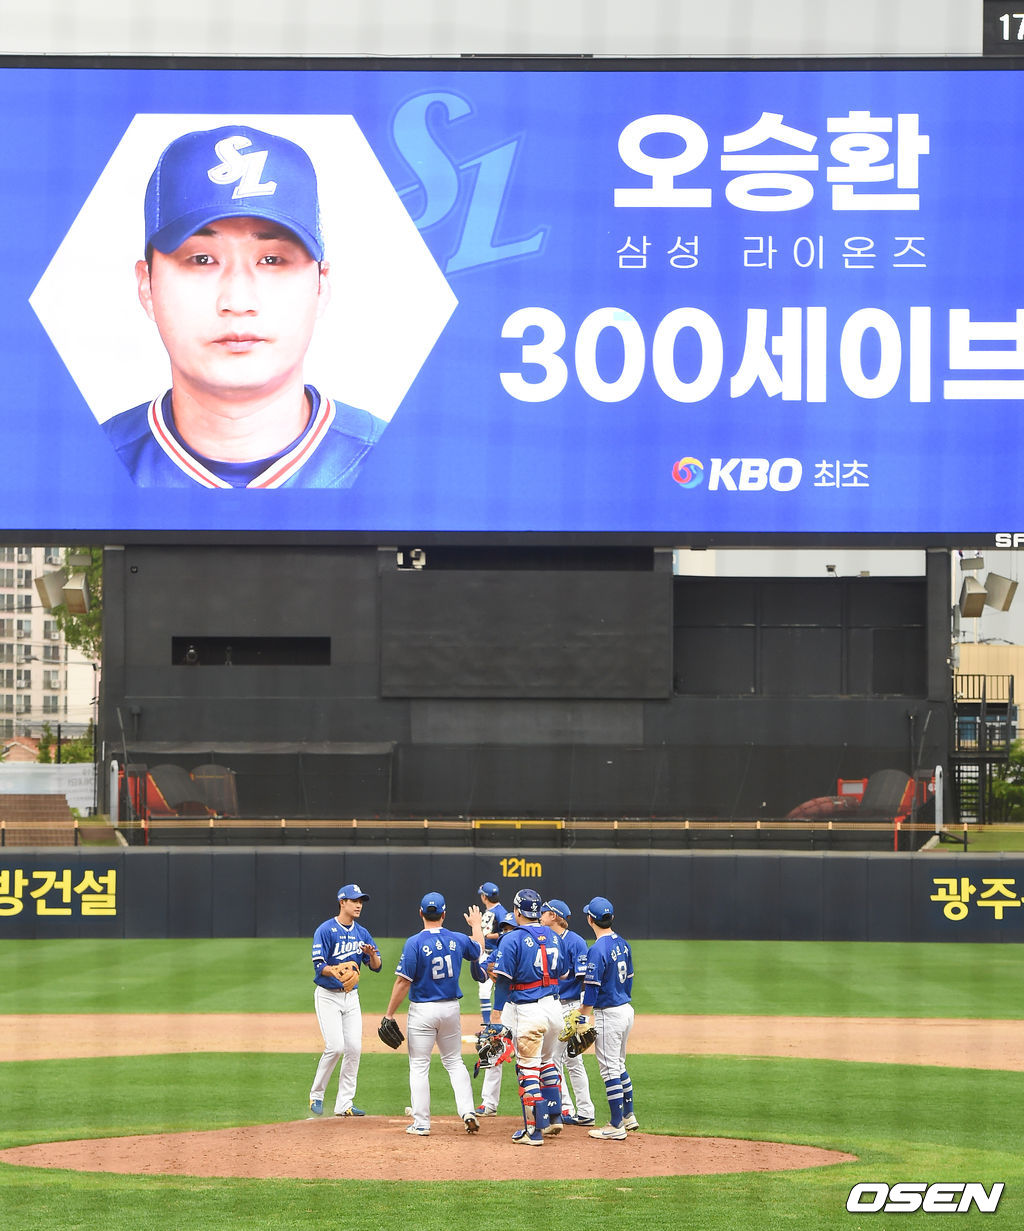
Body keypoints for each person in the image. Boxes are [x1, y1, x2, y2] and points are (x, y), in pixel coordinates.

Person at [103, 124, 385, 488]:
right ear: (147, 287)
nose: (237, 302)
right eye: (202, 260)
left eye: (272, 260)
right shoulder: (85, 468)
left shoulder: (397, 466)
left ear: (321, 285)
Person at [383, 892, 486, 1136]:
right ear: (444, 914)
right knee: (454, 1062)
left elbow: (402, 982)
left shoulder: (414, 943)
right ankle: (468, 1111)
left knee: (419, 1065)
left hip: (423, 1011)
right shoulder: (458, 939)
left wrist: (389, 1014)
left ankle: (421, 1123)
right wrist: (476, 925)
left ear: (421, 913)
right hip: (450, 1009)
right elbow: (479, 947)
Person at [489, 887, 565, 1146]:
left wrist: (496, 1016)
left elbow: (501, 982)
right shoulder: (555, 937)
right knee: (547, 1062)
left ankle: (533, 1131)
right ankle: (555, 1116)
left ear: (516, 911)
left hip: (528, 1009)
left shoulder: (512, 939)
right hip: (555, 1008)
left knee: (527, 1068)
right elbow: (563, 973)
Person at [308, 882, 383, 1117]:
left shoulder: (362, 933)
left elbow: (377, 967)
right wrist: (337, 970)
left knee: (354, 1048)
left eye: (361, 901)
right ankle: (316, 1095)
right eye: (354, 901)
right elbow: (319, 966)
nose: (359, 905)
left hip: (351, 998)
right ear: (343, 902)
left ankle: (344, 1104)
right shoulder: (325, 930)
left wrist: (371, 956)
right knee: (335, 1047)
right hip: (328, 996)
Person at [578, 896, 638, 1141]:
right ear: (611, 918)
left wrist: (583, 1017)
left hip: (609, 1014)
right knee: (619, 1064)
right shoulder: (623, 944)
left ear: (590, 919)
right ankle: (629, 1116)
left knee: (609, 1069)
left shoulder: (597, 949)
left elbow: (591, 988)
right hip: (625, 1009)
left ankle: (616, 1125)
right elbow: (631, 977)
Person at [539, 898, 596, 1127]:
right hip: (553, 1005)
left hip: (569, 1006)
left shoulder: (576, 942)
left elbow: (584, 979)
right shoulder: (546, 939)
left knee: (555, 1059)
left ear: (554, 916)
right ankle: (585, 1111)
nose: (540, 916)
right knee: (573, 1061)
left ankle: (567, 1108)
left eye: (543, 912)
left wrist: (579, 1013)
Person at [475, 913, 517, 1116]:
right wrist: (476, 955)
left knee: (533, 1058)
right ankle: (489, 1103)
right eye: (505, 928)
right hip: (506, 1008)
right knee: (493, 1050)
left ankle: (549, 1104)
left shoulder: (525, 948)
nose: (506, 932)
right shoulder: (499, 951)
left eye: (511, 928)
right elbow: (481, 973)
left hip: (527, 1008)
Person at [476, 882, 508, 1027]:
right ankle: (487, 1023)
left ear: (484, 897)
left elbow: (507, 932)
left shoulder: (501, 912)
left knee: (497, 989)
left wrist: (489, 936)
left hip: (495, 956)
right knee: (483, 992)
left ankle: (497, 1022)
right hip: (485, 954)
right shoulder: (493, 911)